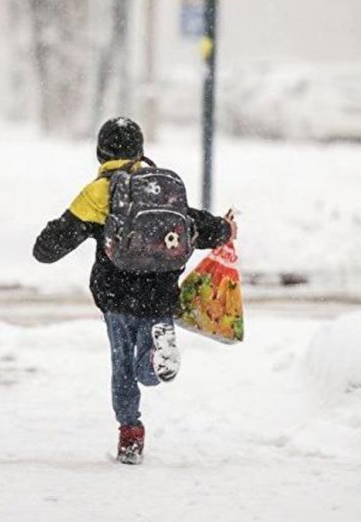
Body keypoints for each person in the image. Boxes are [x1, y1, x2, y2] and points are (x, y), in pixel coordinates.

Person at [33, 116, 235, 464]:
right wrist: (224, 229)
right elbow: (194, 223)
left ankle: (130, 436)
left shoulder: (100, 191)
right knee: (147, 367)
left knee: (122, 366)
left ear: (101, 152)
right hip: (160, 292)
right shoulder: (161, 186)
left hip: (117, 294)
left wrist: (48, 242)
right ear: (141, 150)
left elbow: (49, 248)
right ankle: (157, 358)